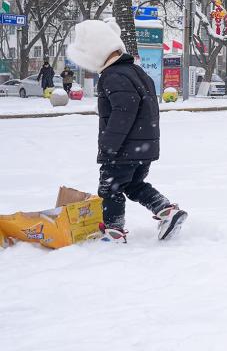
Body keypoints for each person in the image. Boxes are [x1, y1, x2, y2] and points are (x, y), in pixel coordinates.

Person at [67, 18, 187, 243]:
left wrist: (108, 146)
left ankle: (114, 232)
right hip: (143, 146)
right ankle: (167, 211)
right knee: (133, 185)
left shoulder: (113, 75)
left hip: (124, 148)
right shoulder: (136, 71)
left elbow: (124, 110)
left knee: (110, 188)